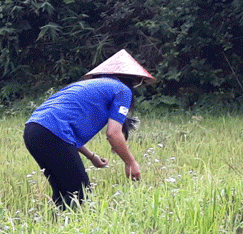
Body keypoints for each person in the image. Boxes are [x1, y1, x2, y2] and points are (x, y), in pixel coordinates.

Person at [23, 50, 153, 209]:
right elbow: (113, 133)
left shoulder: (88, 86)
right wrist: (130, 162)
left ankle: (55, 228)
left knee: (64, 192)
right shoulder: (122, 90)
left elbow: (64, 132)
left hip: (33, 131)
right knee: (80, 193)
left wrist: (92, 157)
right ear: (136, 81)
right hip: (52, 133)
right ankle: (71, 230)